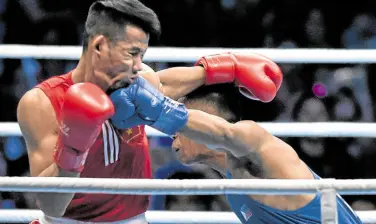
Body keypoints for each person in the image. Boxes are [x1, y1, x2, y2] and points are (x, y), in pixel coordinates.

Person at [17, 0, 278, 223]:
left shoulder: (137, 82)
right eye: (132, 53)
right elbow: (51, 206)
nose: (138, 65)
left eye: (142, 54)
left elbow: (164, 84)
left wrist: (226, 69)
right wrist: (73, 149)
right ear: (99, 46)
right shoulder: (42, 103)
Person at [109, 53, 362, 223]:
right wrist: (219, 69)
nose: (172, 132)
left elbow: (223, 133)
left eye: (185, 110)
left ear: (209, 116)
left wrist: (158, 109)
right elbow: (149, 84)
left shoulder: (253, 141)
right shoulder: (231, 180)